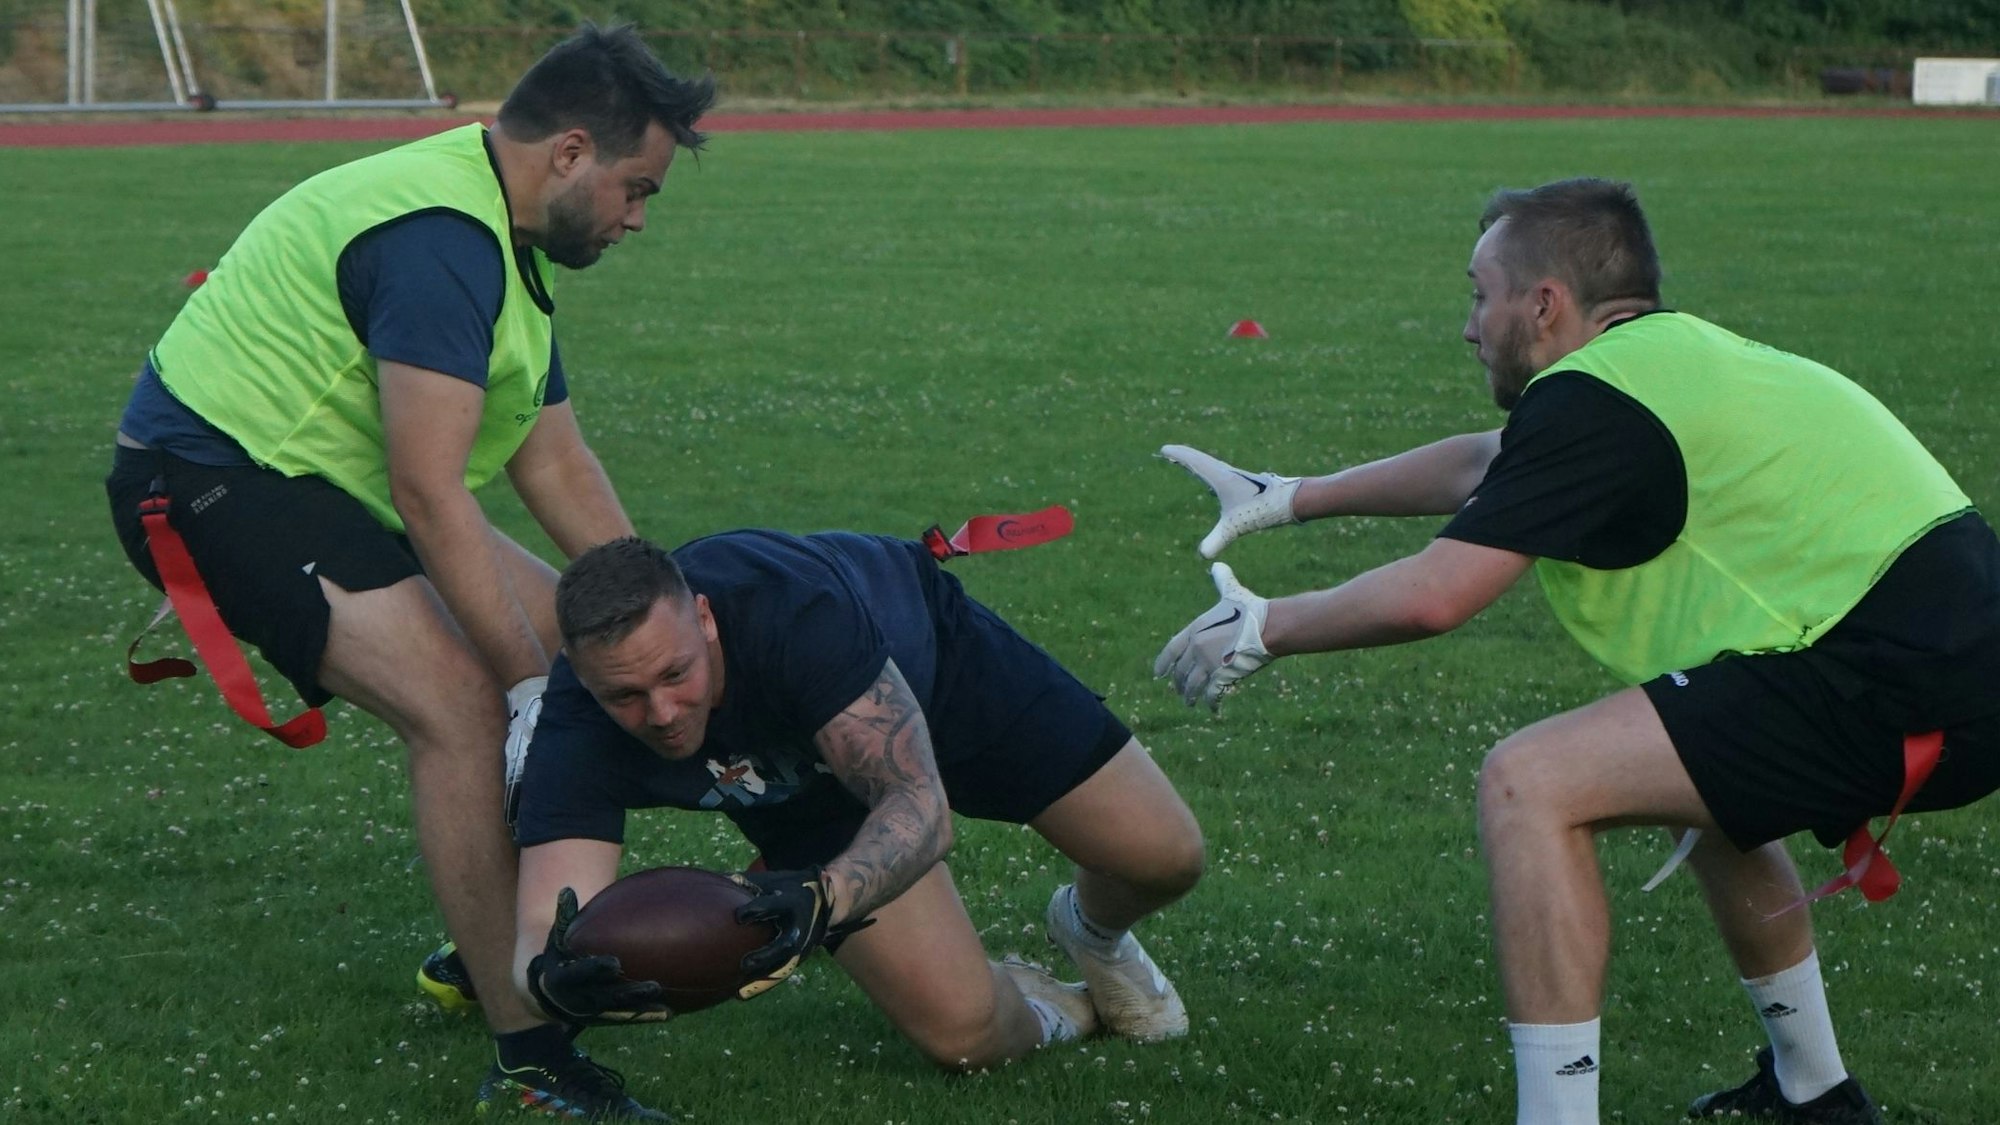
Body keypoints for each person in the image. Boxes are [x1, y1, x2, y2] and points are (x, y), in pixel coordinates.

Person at [1154, 177, 2000, 1125]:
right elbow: (1489, 460)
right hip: (1947, 653)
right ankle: (1817, 1091)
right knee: (1701, 780)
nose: (1468, 326)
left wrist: (1265, 625)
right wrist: (1288, 494)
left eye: (1480, 295)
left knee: (1531, 782)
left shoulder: (1595, 400)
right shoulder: (1657, 364)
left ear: (1544, 304)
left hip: (1901, 678)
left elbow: (1438, 595)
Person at [103, 24, 715, 1119]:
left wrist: (665, 609)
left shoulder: (502, 238)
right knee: (469, 711)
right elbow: (431, 496)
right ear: (571, 152)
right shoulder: (443, 240)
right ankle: (531, 1059)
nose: (636, 218)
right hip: (209, 479)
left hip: (323, 484)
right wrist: (522, 687)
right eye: (637, 189)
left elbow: (554, 459)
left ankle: (495, 938)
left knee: (591, 656)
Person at [505, 529, 1205, 1090]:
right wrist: (550, 982)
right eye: (624, 695)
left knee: (1165, 856)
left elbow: (921, 807)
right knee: (966, 1037)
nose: (660, 712)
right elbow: (546, 922)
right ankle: (1057, 1007)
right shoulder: (575, 725)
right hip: (802, 794)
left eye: (675, 673)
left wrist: (825, 898)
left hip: (937, 671)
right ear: (582, 674)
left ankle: (1091, 929)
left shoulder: (791, 613)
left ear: (707, 620)